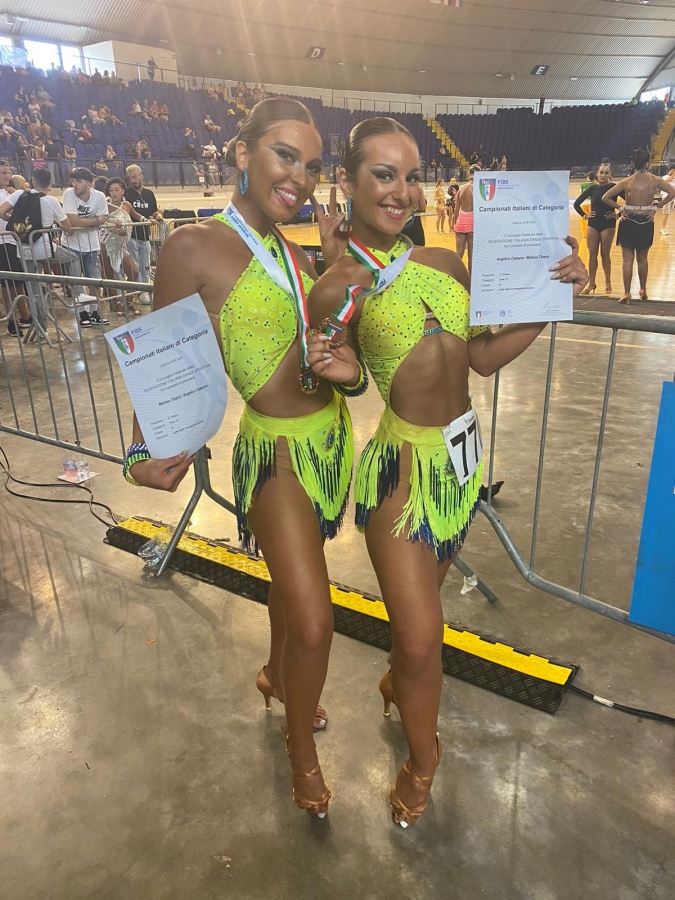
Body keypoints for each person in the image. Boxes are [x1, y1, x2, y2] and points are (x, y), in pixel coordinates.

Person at [306, 116, 588, 829]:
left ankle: (397, 685)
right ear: (347, 179)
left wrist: (552, 301)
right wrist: (339, 372)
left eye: (411, 176)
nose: (401, 191)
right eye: (382, 174)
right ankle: (423, 759)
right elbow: (340, 373)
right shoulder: (336, 286)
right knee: (421, 639)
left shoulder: (443, 263)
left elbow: (482, 358)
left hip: (458, 470)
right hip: (400, 477)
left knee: (418, 628)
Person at [123, 98, 353, 819]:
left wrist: (335, 265)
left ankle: (277, 677)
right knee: (316, 621)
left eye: (311, 164)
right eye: (285, 155)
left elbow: (328, 348)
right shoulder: (192, 246)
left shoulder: (296, 253)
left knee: (292, 577)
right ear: (241, 152)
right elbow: (160, 359)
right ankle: (300, 748)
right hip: (273, 453)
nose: (299, 176)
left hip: (331, 443)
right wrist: (141, 450)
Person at [602, 148, 675, 302]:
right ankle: (643, 289)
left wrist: (621, 208)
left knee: (627, 260)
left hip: (628, 221)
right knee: (643, 259)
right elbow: (672, 192)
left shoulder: (626, 181)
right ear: (648, 163)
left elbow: (605, 197)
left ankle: (626, 293)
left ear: (633, 164)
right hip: (646, 221)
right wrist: (656, 207)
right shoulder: (655, 180)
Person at [61, 166, 111, 327]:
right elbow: (73, 221)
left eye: (79, 181)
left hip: (92, 246)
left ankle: (95, 312)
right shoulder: (69, 194)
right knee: (77, 283)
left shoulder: (99, 196)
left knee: (95, 282)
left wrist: (82, 223)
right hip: (72, 246)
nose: (74, 184)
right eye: (73, 181)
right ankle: (82, 313)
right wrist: (95, 221)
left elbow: (104, 218)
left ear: (89, 184)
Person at [573, 164, 619, 296]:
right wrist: (584, 215)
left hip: (608, 224)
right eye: (601, 172)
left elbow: (629, 202)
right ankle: (592, 283)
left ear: (610, 174)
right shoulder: (592, 188)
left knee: (605, 254)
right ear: (597, 174)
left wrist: (618, 214)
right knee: (592, 254)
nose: (603, 175)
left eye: (606, 172)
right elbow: (576, 204)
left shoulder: (614, 188)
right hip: (593, 224)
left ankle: (608, 282)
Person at [0, 159, 32, 336]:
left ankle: (25, 315)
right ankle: (11, 321)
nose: (7, 176)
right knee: (7, 284)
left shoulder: (8, 192)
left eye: (9, 173)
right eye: (3, 173)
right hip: (2, 241)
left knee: (19, 281)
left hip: (14, 240)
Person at [101, 176, 139, 317]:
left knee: (134, 272)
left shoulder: (127, 205)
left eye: (117, 189)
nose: (114, 193)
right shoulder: (105, 205)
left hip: (121, 244)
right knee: (109, 274)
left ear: (122, 191)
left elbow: (137, 216)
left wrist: (151, 219)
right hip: (106, 242)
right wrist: (114, 227)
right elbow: (102, 222)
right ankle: (116, 302)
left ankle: (128, 301)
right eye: (111, 190)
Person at [125, 164, 161, 302]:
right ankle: (138, 292)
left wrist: (158, 215)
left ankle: (145, 290)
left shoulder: (149, 194)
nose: (133, 180)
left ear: (141, 176)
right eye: (130, 178)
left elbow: (153, 210)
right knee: (134, 266)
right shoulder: (127, 193)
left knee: (145, 265)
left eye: (135, 177)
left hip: (145, 235)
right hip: (131, 235)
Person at [453, 173, 475, 271]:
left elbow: (456, 209)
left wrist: (455, 224)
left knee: (458, 254)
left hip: (461, 221)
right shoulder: (477, 189)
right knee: (471, 255)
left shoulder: (461, 188)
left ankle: (455, 276)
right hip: (473, 221)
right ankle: (471, 277)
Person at [659, 167, 675, 235]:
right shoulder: (665, 177)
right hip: (666, 197)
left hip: (673, 197)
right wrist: (673, 174)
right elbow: (669, 180)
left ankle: (663, 228)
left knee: (668, 213)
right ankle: (662, 229)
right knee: (666, 213)